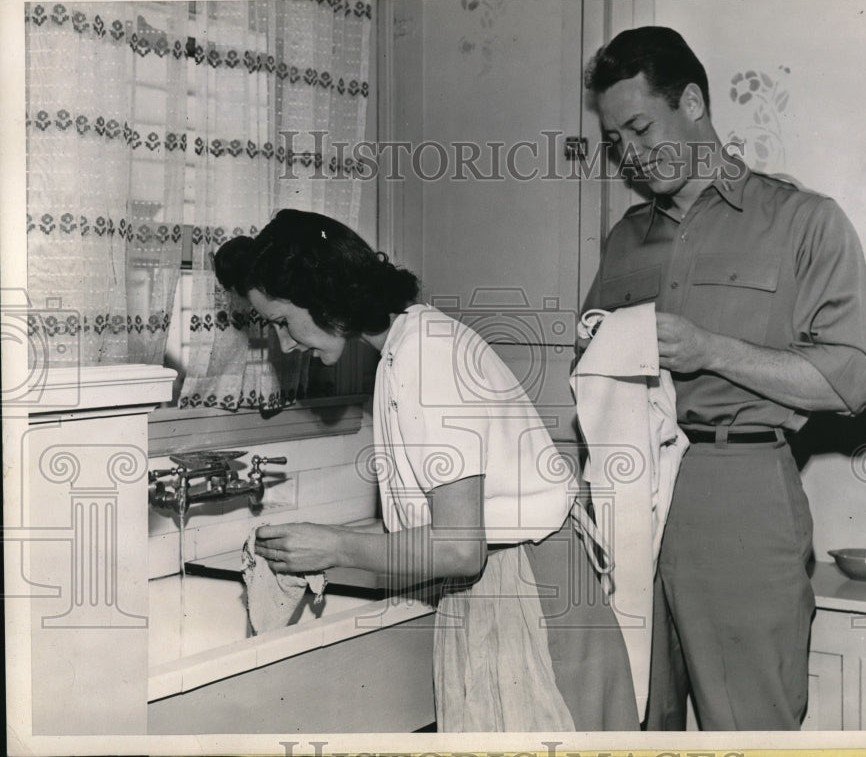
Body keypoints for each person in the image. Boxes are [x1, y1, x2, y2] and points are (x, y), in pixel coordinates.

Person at [213, 208, 640, 733]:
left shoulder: (424, 356)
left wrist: (338, 547)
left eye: (282, 322)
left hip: (528, 590)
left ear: (322, 293)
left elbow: (460, 548)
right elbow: (436, 523)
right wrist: (315, 544)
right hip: (507, 583)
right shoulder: (405, 348)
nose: (283, 344)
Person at [581, 27, 866, 731]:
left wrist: (711, 349)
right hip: (627, 494)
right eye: (616, 138)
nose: (630, 152)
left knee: (749, 730)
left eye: (640, 127)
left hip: (740, 492)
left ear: (692, 101)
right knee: (633, 722)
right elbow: (590, 377)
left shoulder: (803, 221)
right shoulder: (626, 238)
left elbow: (852, 381)